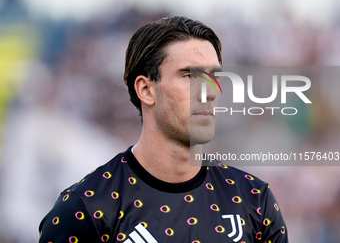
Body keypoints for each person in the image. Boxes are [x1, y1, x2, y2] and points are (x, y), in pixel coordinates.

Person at [39, 16, 288, 243]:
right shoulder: (86, 208)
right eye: (190, 76)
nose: (209, 92)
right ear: (146, 90)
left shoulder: (254, 199)